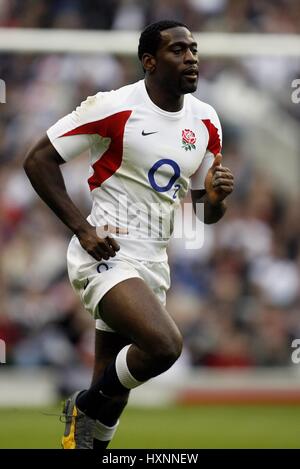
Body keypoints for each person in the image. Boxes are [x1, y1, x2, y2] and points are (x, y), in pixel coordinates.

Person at [24, 20, 234, 449]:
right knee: (164, 346)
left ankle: (89, 434)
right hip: (107, 249)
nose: (191, 57)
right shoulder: (112, 106)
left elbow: (203, 211)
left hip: (154, 259)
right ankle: (83, 404)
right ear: (149, 61)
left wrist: (212, 199)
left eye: (194, 49)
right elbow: (38, 160)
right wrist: (82, 229)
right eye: (178, 50)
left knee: (114, 392)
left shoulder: (207, 121)